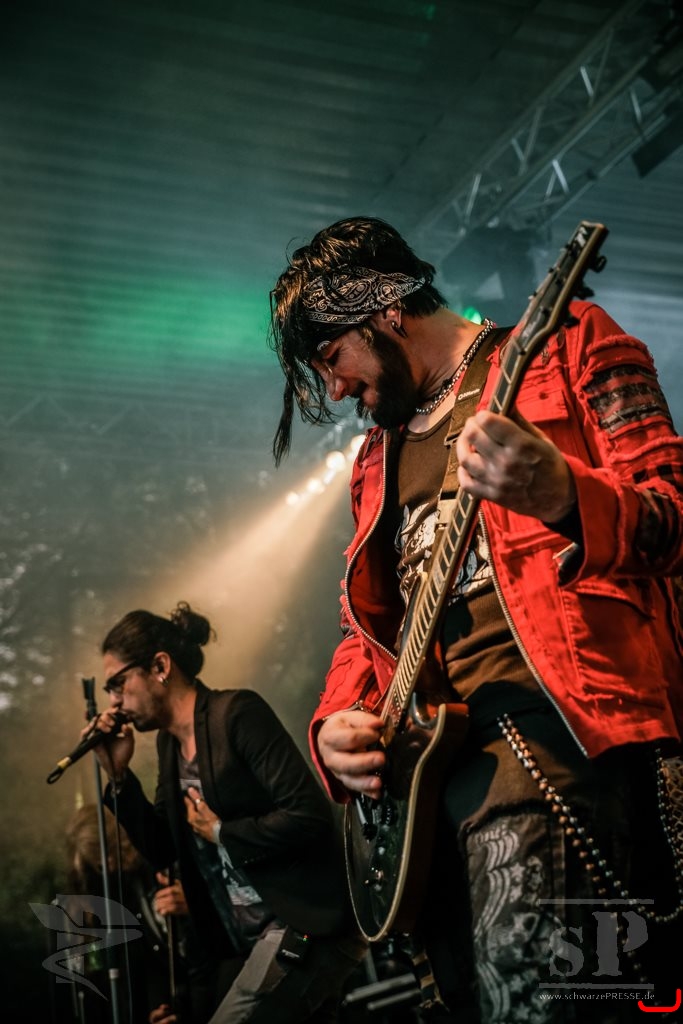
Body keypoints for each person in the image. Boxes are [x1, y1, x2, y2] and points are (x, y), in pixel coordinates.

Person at [269, 216, 683, 1022]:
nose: (336, 389)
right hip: (425, 797)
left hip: (557, 746)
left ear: (385, 309)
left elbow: (672, 515)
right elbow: (365, 631)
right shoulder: (373, 462)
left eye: (330, 356)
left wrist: (565, 497)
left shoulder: (567, 346)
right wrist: (332, 728)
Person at [89, 602, 365, 1023]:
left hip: (301, 924)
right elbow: (164, 848)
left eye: (118, 683)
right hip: (245, 942)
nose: (113, 701)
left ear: (160, 666)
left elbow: (308, 814)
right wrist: (120, 777)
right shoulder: (169, 746)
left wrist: (222, 833)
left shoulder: (236, 714)